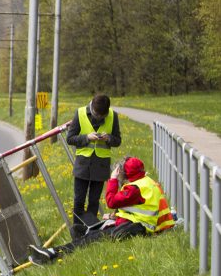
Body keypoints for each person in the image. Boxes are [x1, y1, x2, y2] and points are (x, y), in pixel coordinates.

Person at [29, 156, 175, 263]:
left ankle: (53, 254)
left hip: (136, 227)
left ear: (126, 174)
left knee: (92, 238)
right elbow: (138, 207)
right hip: (135, 224)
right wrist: (114, 216)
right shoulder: (148, 181)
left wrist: (112, 180)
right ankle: (64, 251)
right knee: (83, 232)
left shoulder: (134, 188)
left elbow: (111, 201)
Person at [65, 94, 121, 236]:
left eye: (103, 116)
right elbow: (70, 138)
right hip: (83, 165)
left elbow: (118, 140)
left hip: (101, 166)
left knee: (94, 201)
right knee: (79, 200)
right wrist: (86, 137)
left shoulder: (113, 116)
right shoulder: (80, 113)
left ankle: (90, 232)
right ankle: (77, 232)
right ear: (92, 108)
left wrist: (109, 138)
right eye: (97, 115)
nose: (99, 118)